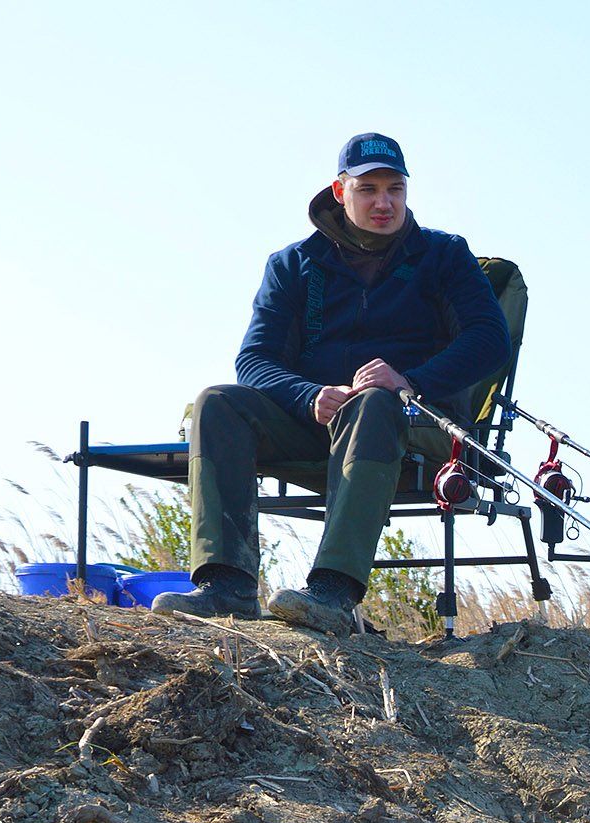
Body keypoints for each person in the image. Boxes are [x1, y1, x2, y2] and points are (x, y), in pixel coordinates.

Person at [153, 132, 511, 634]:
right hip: (315, 423)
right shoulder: (293, 264)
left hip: (413, 425)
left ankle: (333, 593)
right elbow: (254, 360)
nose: (383, 202)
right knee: (216, 402)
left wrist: (410, 380)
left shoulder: (445, 255)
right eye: (368, 190)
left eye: (395, 189)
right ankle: (225, 587)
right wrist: (309, 397)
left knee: (373, 403)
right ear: (341, 192)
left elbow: (490, 340)